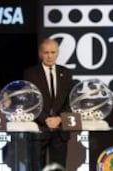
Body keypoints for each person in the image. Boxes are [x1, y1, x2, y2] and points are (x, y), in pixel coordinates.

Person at [23, 39, 72, 170]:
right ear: (40, 54)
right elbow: (30, 102)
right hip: (39, 129)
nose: (49, 56)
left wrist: (59, 119)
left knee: (59, 168)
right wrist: (46, 119)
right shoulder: (30, 73)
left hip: (60, 130)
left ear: (57, 53)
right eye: (46, 52)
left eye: (52, 52)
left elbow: (70, 101)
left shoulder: (66, 73)